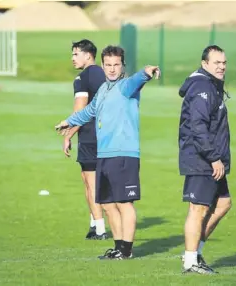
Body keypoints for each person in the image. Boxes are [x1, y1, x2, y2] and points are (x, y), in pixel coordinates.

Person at [55, 45, 160, 260]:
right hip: (104, 154)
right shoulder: (103, 90)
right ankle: (118, 247)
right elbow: (88, 111)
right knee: (107, 204)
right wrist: (68, 121)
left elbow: (138, 79)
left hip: (123, 154)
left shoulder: (126, 86)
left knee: (124, 203)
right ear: (102, 66)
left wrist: (147, 72)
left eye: (116, 65)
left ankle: (127, 250)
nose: (112, 69)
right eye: (108, 65)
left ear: (123, 66)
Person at [178, 45, 232, 274]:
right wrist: (213, 158)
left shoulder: (212, 85)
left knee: (223, 203)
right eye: (216, 62)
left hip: (211, 157)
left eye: (223, 62)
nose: (221, 66)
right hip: (202, 158)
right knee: (197, 209)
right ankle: (191, 262)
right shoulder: (202, 86)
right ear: (205, 64)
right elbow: (197, 126)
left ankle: (194, 252)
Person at [66, 39, 107, 240]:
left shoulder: (82, 78)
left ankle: (100, 229)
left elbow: (79, 110)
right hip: (106, 134)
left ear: (87, 55)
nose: (73, 58)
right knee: (88, 180)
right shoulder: (104, 73)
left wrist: (68, 135)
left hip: (90, 135)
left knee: (91, 183)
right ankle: (94, 223)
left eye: (76, 54)